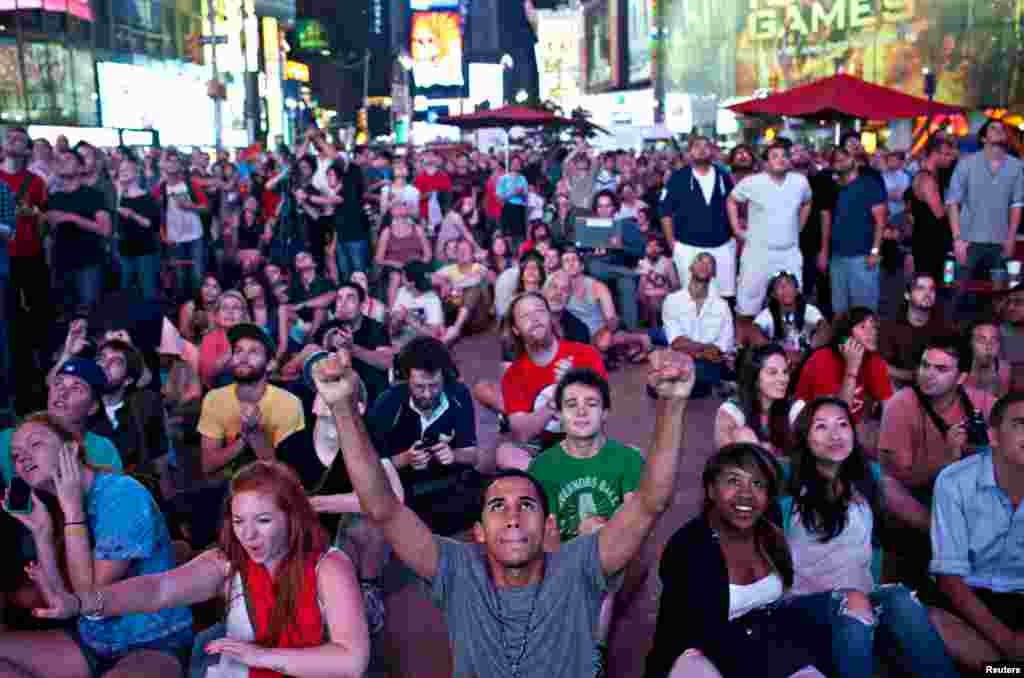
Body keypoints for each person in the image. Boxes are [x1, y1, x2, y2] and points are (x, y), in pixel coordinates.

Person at [313, 344, 694, 678]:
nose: (512, 515)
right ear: (478, 531)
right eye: (498, 505)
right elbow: (383, 508)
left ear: (547, 526)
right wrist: (343, 407)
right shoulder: (459, 571)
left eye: (526, 504)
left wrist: (673, 404)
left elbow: (650, 502)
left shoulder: (577, 568)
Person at [26, 460, 371, 678]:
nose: (248, 534)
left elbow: (350, 661)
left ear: (292, 518)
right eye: (239, 521)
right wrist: (86, 603)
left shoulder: (329, 566)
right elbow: (158, 589)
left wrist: (263, 657)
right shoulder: (227, 561)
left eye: (263, 521)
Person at [776, 397, 958, 678]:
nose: (835, 435)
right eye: (821, 427)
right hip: (810, 607)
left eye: (842, 425)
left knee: (900, 597)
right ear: (804, 436)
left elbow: (918, 521)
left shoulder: (868, 480)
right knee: (854, 605)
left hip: (864, 600)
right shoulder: (788, 489)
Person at [0, 413, 193, 678]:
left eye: (35, 444)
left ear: (71, 448)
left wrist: (73, 512)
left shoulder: (121, 494)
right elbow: (62, 603)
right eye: (16, 455)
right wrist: (42, 533)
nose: (22, 458)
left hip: (153, 641)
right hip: (94, 642)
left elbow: (91, 596)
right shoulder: (60, 507)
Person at [644, 443, 828, 678]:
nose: (746, 494)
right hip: (697, 658)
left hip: (764, 646)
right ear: (711, 490)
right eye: (733, 481)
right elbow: (705, 636)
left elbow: (782, 609)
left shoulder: (770, 528)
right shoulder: (688, 547)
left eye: (758, 483)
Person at [527, 367, 645, 672]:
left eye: (591, 404)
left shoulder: (628, 459)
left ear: (605, 413)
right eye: (571, 404)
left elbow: (634, 521)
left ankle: (593, 653)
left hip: (614, 557)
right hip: (561, 559)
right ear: (560, 415)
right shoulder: (542, 466)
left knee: (598, 551)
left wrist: (597, 536)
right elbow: (542, 535)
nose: (581, 412)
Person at [877, 336, 995, 599]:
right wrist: (949, 458)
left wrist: (991, 448)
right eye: (924, 365)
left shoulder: (983, 404)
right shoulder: (902, 404)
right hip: (922, 505)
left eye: (941, 369)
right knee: (888, 487)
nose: (928, 375)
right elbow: (902, 478)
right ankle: (950, 538)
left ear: (961, 377)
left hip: (973, 503)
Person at [927, 391, 1024, 671]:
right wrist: (1007, 642)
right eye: (1020, 424)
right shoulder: (954, 482)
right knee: (929, 621)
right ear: (993, 437)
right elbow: (948, 577)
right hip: (972, 597)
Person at [366, 337, 489, 537]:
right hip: (406, 491)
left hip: (451, 486)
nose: (427, 394)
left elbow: (472, 454)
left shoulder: (458, 394)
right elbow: (370, 468)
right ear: (406, 379)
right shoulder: (387, 403)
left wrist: (454, 455)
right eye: (419, 386)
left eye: (434, 386)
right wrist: (405, 459)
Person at [496, 291, 608, 471]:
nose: (534, 318)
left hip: (585, 443)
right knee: (504, 452)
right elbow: (522, 433)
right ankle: (553, 477)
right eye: (525, 316)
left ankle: (557, 476)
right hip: (542, 451)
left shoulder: (585, 354)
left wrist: (574, 384)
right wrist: (557, 396)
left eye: (539, 311)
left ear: (551, 318)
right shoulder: (513, 375)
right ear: (516, 329)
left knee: (634, 454)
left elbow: (601, 415)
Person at [727, 142, 812, 325]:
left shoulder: (800, 181)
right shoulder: (752, 182)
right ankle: (745, 348)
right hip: (758, 253)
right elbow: (732, 200)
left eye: (784, 155)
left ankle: (787, 345)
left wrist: (800, 226)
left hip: (789, 252)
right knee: (748, 305)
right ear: (765, 163)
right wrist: (736, 229)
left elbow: (807, 202)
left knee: (792, 304)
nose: (780, 159)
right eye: (774, 156)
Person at [946, 119, 1024, 282]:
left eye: (1002, 129)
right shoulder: (966, 164)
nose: (999, 131)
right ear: (983, 138)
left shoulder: (1016, 166)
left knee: (1000, 295)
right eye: (993, 128)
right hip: (969, 242)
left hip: (1001, 242)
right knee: (961, 294)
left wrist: (1011, 238)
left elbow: (1017, 204)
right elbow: (953, 202)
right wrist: (957, 239)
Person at [661, 136, 737, 301]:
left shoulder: (723, 176)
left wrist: (736, 234)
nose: (702, 149)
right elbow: (665, 212)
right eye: (696, 146)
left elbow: (734, 206)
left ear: (713, 151)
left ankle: (721, 327)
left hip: (721, 244)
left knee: (724, 297)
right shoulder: (678, 178)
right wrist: (672, 244)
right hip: (688, 246)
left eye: (706, 145)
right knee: (691, 297)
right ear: (689, 153)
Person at [794, 307, 892, 426]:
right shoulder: (821, 360)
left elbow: (889, 407)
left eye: (874, 327)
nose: (872, 332)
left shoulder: (874, 360)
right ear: (846, 335)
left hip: (852, 430)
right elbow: (835, 416)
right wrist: (852, 367)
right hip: (814, 426)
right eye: (862, 327)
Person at [46, 148, 113, 312]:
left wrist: (71, 218)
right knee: (65, 315)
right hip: (60, 263)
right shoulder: (53, 197)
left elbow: (105, 229)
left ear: (81, 168)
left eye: (68, 159)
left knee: (88, 315)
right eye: (59, 160)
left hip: (87, 263)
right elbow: (47, 233)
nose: (62, 162)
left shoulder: (93, 195)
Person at [661, 252, 735, 399]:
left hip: (711, 363)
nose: (704, 265)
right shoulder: (672, 300)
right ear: (690, 267)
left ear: (713, 273)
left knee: (710, 369)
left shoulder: (722, 306)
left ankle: (697, 383)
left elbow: (722, 347)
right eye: (700, 260)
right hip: (681, 360)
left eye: (710, 263)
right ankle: (707, 383)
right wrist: (703, 350)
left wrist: (696, 350)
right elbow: (676, 342)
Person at [715, 344, 803, 455]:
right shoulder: (732, 410)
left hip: (789, 470)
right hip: (749, 470)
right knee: (743, 436)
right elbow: (725, 457)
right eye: (772, 372)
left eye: (785, 372)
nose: (783, 379)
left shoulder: (795, 406)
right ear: (755, 377)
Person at [878, 273, 954, 388]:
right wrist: (911, 376)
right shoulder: (891, 325)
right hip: (898, 386)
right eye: (920, 288)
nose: (928, 294)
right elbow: (881, 366)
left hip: (934, 386)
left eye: (932, 289)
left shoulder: (943, 325)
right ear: (907, 295)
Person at [751, 271, 828, 364]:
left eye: (789, 284)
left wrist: (808, 351)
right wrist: (780, 352)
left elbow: (825, 329)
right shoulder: (768, 313)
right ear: (773, 294)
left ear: (796, 290)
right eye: (779, 285)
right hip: (780, 363)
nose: (785, 288)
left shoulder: (809, 309)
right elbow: (754, 332)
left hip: (807, 360)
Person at [907, 136, 956, 282]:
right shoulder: (926, 179)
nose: (950, 158)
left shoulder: (933, 176)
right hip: (929, 247)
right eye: (947, 154)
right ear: (935, 154)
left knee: (944, 284)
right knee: (936, 287)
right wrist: (956, 205)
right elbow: (940, 214)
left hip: (932, 244)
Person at [390, 261, 445, 347]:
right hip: (400, 339)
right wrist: (397, 321)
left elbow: (433, 335)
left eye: (403, 277)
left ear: (412, 283)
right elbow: (392, 329)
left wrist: (409, 319)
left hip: (421, 343)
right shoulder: (402, 292)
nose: (401, 279)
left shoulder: (432, 299)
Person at [963, 317, 1010, 397]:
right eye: (981, 340)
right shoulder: (958, 369)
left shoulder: (1004, 369)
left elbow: (1002, 403)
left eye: (994, 340)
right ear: (970, 343)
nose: (989, 347)